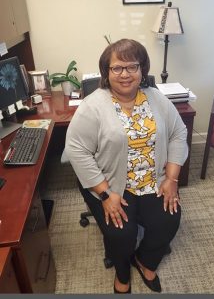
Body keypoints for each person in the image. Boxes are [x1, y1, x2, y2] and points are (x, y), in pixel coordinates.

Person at [65, 38, 188, 294]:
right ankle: (122, 273)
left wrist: (172, 178)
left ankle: (144, 260)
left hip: (152, 180)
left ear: (142, 70)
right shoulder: (92, 106)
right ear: (106, 72)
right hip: (111, 184)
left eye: (132, 67)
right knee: (121, 234)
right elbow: (77, 151)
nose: (125, 74)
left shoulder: (156, 98)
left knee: (169, 220)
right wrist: (105, 194)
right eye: (117, 68)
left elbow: (178, 132)